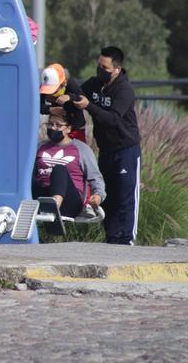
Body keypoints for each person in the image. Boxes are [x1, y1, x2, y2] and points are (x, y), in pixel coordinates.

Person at [73, 46, 141, 245]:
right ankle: (111, 240)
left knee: (125, 197)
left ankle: (127, 239)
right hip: (106, 150)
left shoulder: (124, 90)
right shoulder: (94, 84)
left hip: (126, 150)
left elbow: (112, 119)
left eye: (105, 67)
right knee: (108, 197)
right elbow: (77, 92)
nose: (100, 70)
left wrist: (88, 106)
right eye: (99, 65)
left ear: (117, 69)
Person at [34, 108, 105, 219]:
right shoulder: (40, 147)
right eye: (50, 124)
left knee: (59, 168)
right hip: (42, 195)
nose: (53, 128)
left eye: (58, 125)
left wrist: (98, 196)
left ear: (68, 128)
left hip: (70, 201)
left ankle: (53, 208)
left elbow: (96, 177)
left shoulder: (81, 149)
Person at [39, 63, 87, 142]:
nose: (50, 93)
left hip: (76, 128)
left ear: (63, 83)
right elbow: (38, 107)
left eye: (54, 90)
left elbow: (83, 100)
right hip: (56, 127)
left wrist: (70, 97)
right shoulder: (44, 86)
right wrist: (52, 110)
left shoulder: (71, 84)